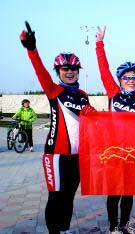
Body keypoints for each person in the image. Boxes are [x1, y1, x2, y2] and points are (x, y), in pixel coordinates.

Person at [20, 21, 92, 234]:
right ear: (58, 71)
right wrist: (32, 49)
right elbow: (40, 71)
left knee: (69, 195)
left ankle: (65, 228)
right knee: (56, 196)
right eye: (65, 68)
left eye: (74, 68)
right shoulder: (53, 90)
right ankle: (54, 231)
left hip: (77, 156)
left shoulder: (84, 96)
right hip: (55, 155)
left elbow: (96, 122)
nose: (70, 72)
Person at [95, 26, 135, 234]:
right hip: (113, 153)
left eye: (134, 77)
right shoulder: (113, 94)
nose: (130, 80)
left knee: (128, 193)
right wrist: (99, 44)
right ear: (120, 80)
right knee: (114, 193)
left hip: (133, 155)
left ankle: (124, 224)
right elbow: (103, 70)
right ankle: (112, 228)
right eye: (126, 77)